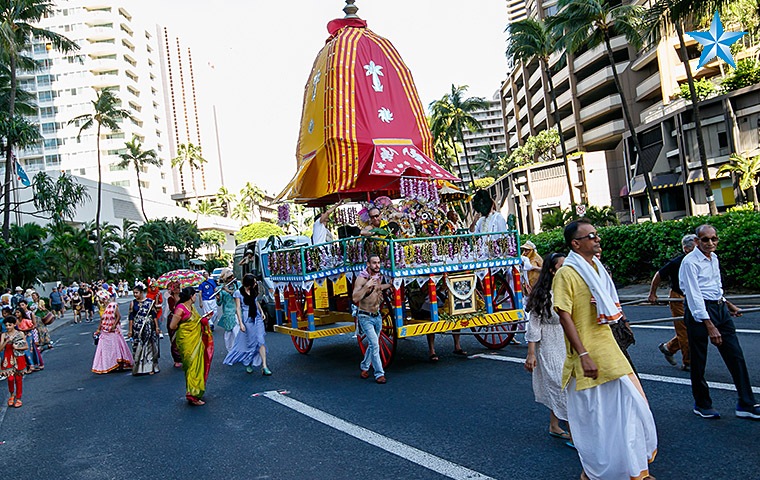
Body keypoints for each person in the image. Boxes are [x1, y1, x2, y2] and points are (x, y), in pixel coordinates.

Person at [553, 220, 656, 480]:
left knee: (631, 411)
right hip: (587, 358)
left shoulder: (597, 269)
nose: (597, 239)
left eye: (596, 235)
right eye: (590, 236)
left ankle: (635, 472)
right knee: (598, 423)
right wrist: (583, 354)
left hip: (610, 350)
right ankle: (596, 473)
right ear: (576, 244)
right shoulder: (567, 273)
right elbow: (564, 315)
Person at [679, 224, 760, 420]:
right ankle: (702, 404)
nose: (710, 243)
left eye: (713, 239)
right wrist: (709, 324)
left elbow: (715, 286)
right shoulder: (690, 262)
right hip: (700, 312)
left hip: (719, 308)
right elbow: (694, 295)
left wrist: (727, 304)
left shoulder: (713, 258)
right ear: (697, 241)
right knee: (699, 360)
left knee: (735, 356)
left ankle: (746, 403)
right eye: (705, 239)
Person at [524, 252, 569, 442]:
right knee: (560, 384)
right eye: (561, 267)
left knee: (567, 383)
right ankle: (575, 432)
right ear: (551, 270)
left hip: (566, 340)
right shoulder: (542, 293)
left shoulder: (569, 289)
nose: (566, 270)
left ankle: (554, 425)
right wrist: (531, 353)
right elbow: (533, 324)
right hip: (548, 343)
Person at [648, 234, 697, 371]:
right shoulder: (677, 262)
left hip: (695, 297)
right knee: (685, 331)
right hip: (678, 298)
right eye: (696, 247)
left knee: (697, 328)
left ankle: (669, 348)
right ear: (686, 249)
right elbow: (659, 275)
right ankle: (688, 362)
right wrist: (652, 293)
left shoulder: (701, 260)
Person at [169, 287, 214, 406]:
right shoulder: (180, 309)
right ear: (190, 296)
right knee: (191, 366)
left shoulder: (192, 308)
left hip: (196, 340)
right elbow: (173, 326)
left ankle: (194, 391)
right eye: (195, 295)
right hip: (186, 341)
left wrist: (205, 319)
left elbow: (197, 321)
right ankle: (193, 395)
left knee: (197, 365)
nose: (196, 297)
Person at [352, 254, 391, 384]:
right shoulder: (361, 279)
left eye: (378, 262)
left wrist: (390, 285)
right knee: (375, 344)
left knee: (372, 344)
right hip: (365, 316)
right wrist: (366, 286)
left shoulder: (378, 277)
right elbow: (355, 298)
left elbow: (378, 289)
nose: (377, 265)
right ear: (368, 264)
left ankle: (364, 367)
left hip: (377, 316)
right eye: (374, 263)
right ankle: (379, 373)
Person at [224, 273, 272, 375]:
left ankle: (264, 366)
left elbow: (256, 302)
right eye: (254, 282)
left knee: (260, 340)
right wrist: (241, 323)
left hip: (257, 317)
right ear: (249, 283)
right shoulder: (238, 293)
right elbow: (238, 308)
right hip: (247, 318)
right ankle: (248, 361)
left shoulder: (253, 291)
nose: (255, 284)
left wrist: (262, 312)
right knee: (251, 342)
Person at [92, 294, 134, 374]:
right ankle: (108, 364)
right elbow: (102, 319)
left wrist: (114, 325)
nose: (100, 301)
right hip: (105, 330)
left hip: (113, 330)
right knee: (105, 348)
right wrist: (98, 329)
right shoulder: (103, 307)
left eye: (101, 299)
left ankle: (117, 363)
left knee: (115, 347)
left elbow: (118, 316)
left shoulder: (113, 305)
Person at [128, 283, 160, 375]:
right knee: (138, 347)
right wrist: (130, 330)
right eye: (134, 293)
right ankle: (138, 368)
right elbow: (131, 318)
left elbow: (154, 316)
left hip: (148, 327)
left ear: (142, 292)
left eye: (136, 293)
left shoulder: (149, 302)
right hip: (137, 328)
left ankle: (150, 367)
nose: (135, 295)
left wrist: (157, 327)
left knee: (149, 346)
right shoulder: (132, 303)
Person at [1, 315, 28, 408]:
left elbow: (26, 346)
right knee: (10, 378)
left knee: (18, 379)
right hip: (8, 358)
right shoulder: (4, 335)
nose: (8, 327)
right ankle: (12, 394)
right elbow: (0, 349)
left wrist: (17, 347)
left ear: (14, 324)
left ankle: (19, 398)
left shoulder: (20, 334)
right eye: (6, 325)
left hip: (19, 357)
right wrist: (6, 341)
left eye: (10, 325)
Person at [216, 269, 240, 352]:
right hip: (227, 313)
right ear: (225, 279)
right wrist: (218, 297)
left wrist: (228, 291)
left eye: (232, 276)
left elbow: (239, 296)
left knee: (237, 333)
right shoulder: (220, 288)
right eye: (229, 277)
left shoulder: (238, 284)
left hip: (237, 312)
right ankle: (230, 351)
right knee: (228, 334)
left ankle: (238, 350)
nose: (232, 278)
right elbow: (219, 303)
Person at [165, 281, 183, 368]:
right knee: (174, 340)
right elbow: (174, 309)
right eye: (176, 288)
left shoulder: (183, 296)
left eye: (179, 287)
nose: (178, 290)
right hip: (173, 319)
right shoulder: (170, 298)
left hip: (182, 319)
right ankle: (177, 359)